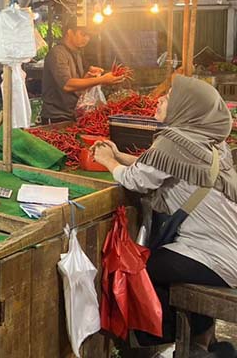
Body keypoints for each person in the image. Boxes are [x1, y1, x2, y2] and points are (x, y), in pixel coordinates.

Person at [93, 76, 237, 354]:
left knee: (144, 267)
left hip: (214, 255)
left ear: (186, 107)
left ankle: (160, 339)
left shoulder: (173, 141)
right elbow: (160, 166)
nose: (160, 99)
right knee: (174, 265)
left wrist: (108, 161)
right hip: (229, 252)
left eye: (169, 97)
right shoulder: (207, 142)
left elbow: (136, 180)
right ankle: (206, 342)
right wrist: (120, 154)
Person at [41, 16, 125, 123]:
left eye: (89, 36)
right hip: (56, 117)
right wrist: (101, 80)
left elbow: (77, 86)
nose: (86, 39)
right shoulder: (58, 54)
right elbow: (67, 85)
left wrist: (89, 77)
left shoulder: (77, 53)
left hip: (72, 115)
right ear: (70, 32)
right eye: (83, 34)